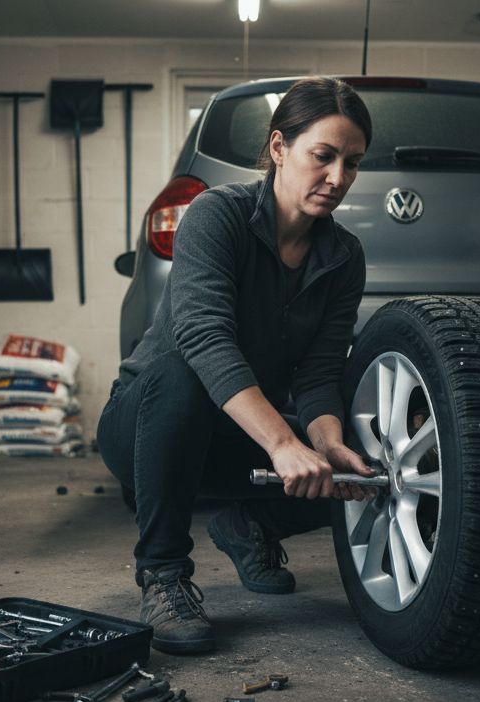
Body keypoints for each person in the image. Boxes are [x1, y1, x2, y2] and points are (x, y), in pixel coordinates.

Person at [97, 77, 377, 655]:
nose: (338, 179)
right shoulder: (216, 215)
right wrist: (281, 443)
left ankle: (249, 526)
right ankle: (163, 574)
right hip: (149, 426)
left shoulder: (344, 256)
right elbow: (204, 338)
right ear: (279, 148)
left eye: (352, 163)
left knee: (358, 472)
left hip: (236, 438)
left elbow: (322, 371)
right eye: (323, 156)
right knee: (182, 370)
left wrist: (328, 444)